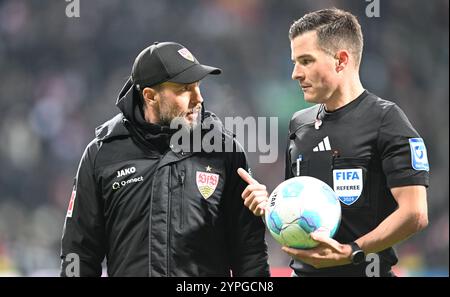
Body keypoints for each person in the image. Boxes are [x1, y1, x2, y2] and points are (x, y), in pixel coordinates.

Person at [238, 8, 429, 277]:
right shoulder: (299, 124)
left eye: (306, 61)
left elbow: (415, 214)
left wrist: (351, 252)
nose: (295, 73)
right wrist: (270, 205)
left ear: (341, 60)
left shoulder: (387, 120)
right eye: (294, 61)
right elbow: (302, 214)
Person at [60, 41, 270, 277]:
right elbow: (79, 253)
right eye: (184, 89)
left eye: (198, 86)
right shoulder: (102, 154)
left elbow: (250, 254)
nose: (198, 98)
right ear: (150, 96)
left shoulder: (224, 152)